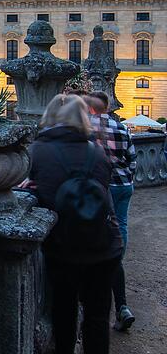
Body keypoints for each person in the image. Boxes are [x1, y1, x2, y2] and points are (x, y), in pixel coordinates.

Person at [29, 93, 123, 354]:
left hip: (63, 246)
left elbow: (41, 191)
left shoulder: (38, 150)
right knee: (97, 318)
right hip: (104, 244)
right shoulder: (97, 152)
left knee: (64, 314)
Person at [86, 91, 137, 331]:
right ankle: (118, 253)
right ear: (108, 106)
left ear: (91, 107)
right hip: (123, 184)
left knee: (98, 229)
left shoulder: (86, 127)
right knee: (122, 225)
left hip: (101, 187)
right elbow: (133, 159)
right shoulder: (122, 127)